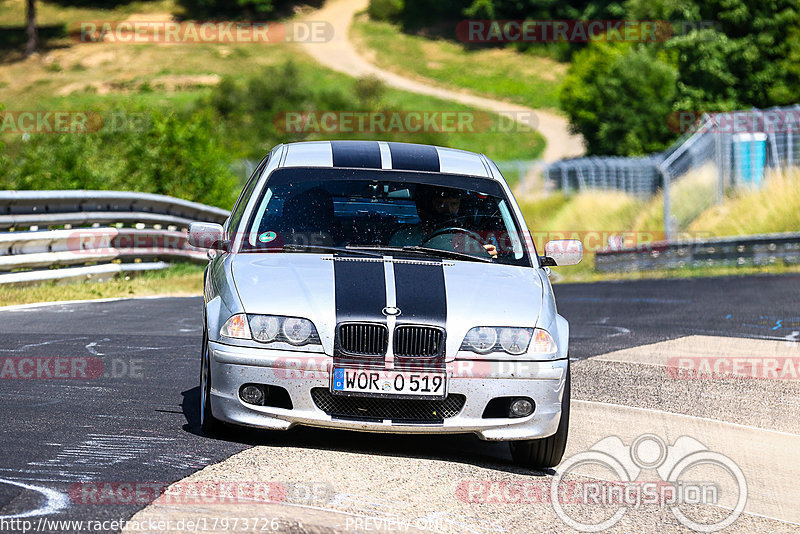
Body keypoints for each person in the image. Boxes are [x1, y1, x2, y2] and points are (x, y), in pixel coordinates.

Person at [389, 185, 497, 258]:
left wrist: (487, 256)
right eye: (441, 204)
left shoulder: (473, 240)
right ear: (427, 208)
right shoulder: (403, 238)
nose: (448, 210)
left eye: (454, 204)